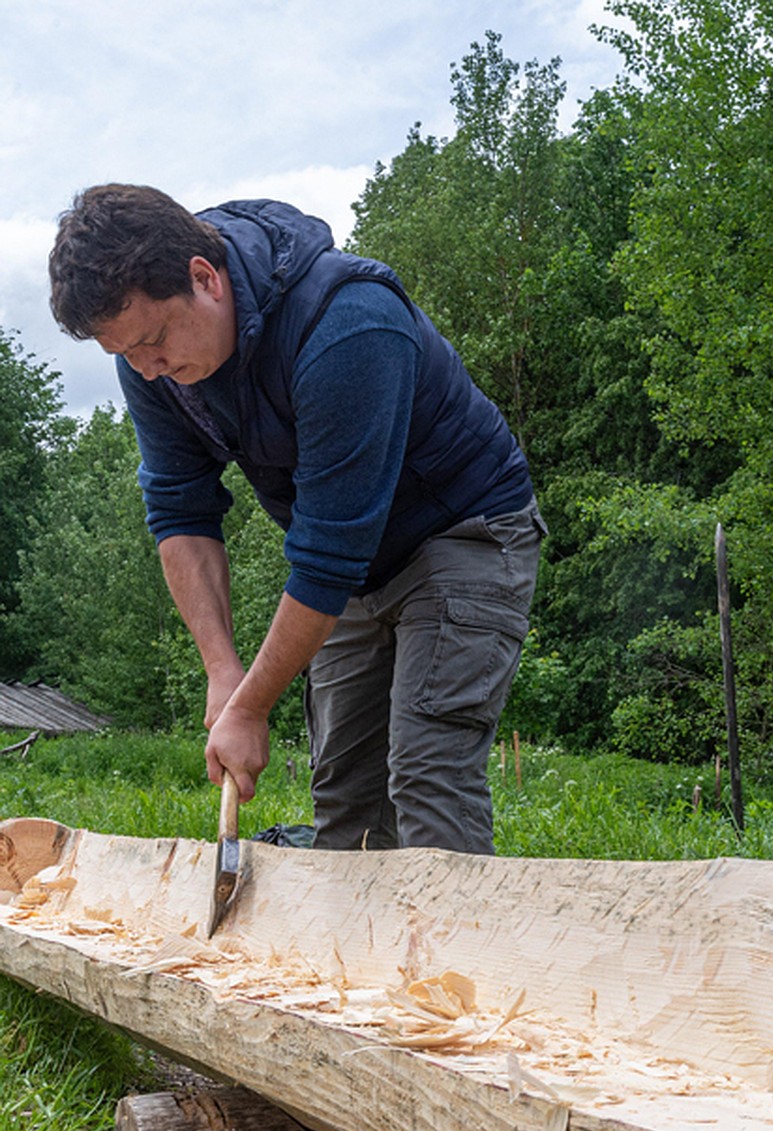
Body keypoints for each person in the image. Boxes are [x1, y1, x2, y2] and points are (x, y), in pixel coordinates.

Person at [48, 184, 544, 854]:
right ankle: (352, 961)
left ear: (205, 278)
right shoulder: (153, 366)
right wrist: (224, 674)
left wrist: (252, 708)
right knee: (346, 796)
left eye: (155, 341)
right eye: (126, 354)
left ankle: (455, 960)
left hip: (465, 531)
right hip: (357, 568)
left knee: (428, 774)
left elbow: (326, 553)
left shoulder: (350, 323)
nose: (149, 368)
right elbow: (179, 509)